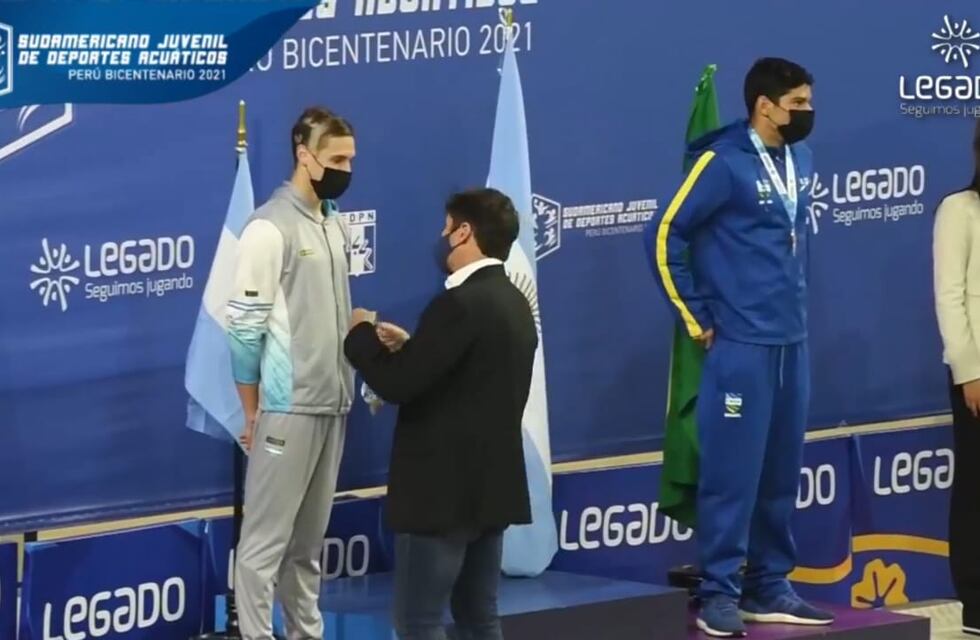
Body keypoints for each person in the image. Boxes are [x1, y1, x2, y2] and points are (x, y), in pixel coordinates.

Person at [644, 58, 832, 637]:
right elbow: (665, 233)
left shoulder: (799, 158)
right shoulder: (721, 161)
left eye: (808, 102)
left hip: (790, 343)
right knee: (732, 475)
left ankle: (769, 585)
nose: (806, 113)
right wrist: (695, 315)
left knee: (780, 473)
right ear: (764, 105)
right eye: (797, 103)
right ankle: (720, 589)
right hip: (740, 348)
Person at [344, 188, 537, 640]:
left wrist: (360, 337)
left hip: (441, 497)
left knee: (419, 622)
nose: (441, 235)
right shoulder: (514, 302)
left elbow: (398, 384)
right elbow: (467, 378)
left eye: (447, 226)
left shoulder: (458, 304)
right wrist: (413, 348)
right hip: (491, 492)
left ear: (464, 231)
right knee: (479, 617)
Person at [227, 106, 356, 640]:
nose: (347, 168)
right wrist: (254, 411)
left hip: (333, 405)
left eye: (351, 158)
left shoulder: (334, 223)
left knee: (306, 549)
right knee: (262, 548)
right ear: (305, 156)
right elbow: (242, 329)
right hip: (285, 409)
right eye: (337, 158)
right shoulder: (267, 227)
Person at [933, 120, 980, 638]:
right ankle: (977, 604)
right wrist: (969, 371)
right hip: (978, 374)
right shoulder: (959, 210)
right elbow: (950, 296)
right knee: (977, 490)